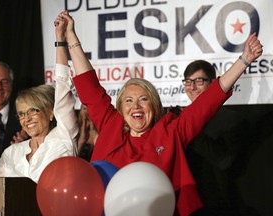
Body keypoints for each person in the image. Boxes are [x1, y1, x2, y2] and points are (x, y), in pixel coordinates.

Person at [58, 11, 263, 216]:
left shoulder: (171, 131)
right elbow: (89, 87)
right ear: (120, 109)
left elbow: (207, 102)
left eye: (143, 99)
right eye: (129, 101)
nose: (136, 106)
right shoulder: (111, 125)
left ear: (154, 106)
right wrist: (70, 36)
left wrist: (244, 60)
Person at [0, 18, 79, 183]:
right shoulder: (11, 153)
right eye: (22, 114)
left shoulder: (63, 137)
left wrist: (60, 40)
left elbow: (63, 84)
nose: (27, 119)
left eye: (33, 110)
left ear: (50, 112)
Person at [177, 60, 251, 215]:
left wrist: (191, 126)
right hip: (186, 205)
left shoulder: (231, 120)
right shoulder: (177, 122)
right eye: (188, 82)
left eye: (199, 81)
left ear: (212, 84)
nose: (192, 87)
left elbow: (225, 161)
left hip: (220, 205)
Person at [0, 61, 24, 176]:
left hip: (16, 189)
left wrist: (25, 148)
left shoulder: (26, 117)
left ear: (11, 85)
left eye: (4, 81)